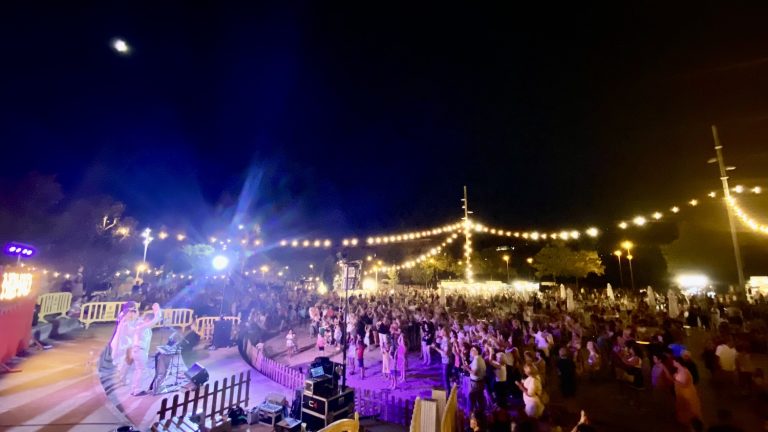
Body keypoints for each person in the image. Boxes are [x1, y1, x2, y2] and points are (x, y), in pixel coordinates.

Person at [114, 303, 162, 396]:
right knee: (141, 370)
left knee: (138, 369)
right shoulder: (141, 326)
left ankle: (134, 388)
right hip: (139, 350)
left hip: (138, 350)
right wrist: (157, 311)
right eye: (149, 320)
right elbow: (155, 320)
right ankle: (137, 390)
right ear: (147, 319)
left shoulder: (141, 325)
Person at [661, 357, 702, 427]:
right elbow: (672, 379)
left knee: (688, 409)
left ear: (678, 363)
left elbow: (684, 383)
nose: (673, 363)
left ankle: (691, 424)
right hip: (681, 394)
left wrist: (675, 381)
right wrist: (665, 369)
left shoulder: (685, 372)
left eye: (674, 361)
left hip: (686, 395)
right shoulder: (679, 370)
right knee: (683, 408)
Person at [464, 345, 486, 413]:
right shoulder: (479, 358)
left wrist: (467, 369)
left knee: (472, 399)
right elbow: (471, 367)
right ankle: (479, 413)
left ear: (477, 351)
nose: (471, 351)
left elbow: (474, 373)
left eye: (473, 350)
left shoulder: (477, 360)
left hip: (476, 383)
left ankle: (471, 414)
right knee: (479, 398)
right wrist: (467, 366)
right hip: (479, 382)